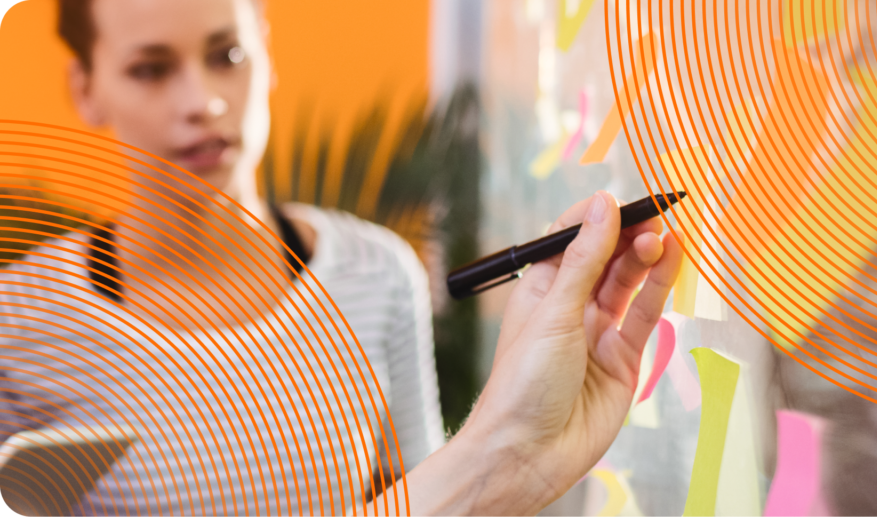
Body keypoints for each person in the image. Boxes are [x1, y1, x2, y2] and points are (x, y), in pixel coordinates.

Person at [0, 0, 682, 515]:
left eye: (226, 57)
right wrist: (497, 455)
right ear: (85, 87)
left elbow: (427, 489)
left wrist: (510, 457)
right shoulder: (22, 320)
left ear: (266, 56)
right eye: (150, 69)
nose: (201, 102)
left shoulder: (378, 271)